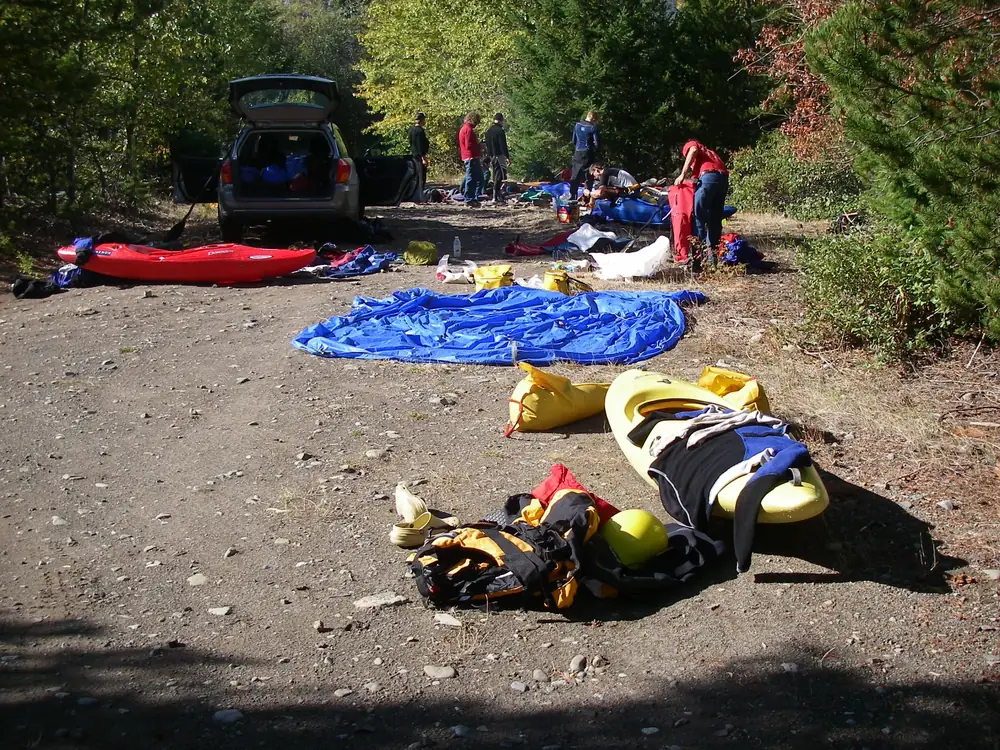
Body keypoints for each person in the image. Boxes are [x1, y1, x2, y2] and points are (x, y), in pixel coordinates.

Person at [674, 140, 730, 264]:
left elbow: (693, 150)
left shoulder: (692, 145)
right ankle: (713, 259)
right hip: (723, 180)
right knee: (715, 219)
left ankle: (698, 257)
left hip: (709, 177)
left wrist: (682, 174)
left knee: (698, 216)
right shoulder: (710, 155)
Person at [569, 111, 599, 201]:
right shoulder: (593, 128)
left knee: (575, 176)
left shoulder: (577, 125)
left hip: (577, 152)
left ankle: (572, 197)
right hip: (588, 153)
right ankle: (586, 198)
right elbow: (597, 144)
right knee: (589, 175)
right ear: (593, 119)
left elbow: (573, 140)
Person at [458, 112, 483, 207]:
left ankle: (471, 197)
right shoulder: (468, 130)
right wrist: (478, 145)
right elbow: (469, 145)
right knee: (471, 178)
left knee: (477, 177)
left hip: (468, 156)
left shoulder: (463, 129)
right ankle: (469, 199)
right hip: (471, 157)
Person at [484, 113, 511, 204]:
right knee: (499, 175)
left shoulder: (488, 131)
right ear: (501, 120)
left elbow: (487, 145)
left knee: (495, 174)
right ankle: (495, 197)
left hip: (492, 156)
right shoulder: (500, 131)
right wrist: (507, 156)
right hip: (499, 155)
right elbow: (503, 145)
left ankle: (497, 195)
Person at [408, 112, 430, 198]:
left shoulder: (411, 130)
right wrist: (423, 158)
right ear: (421, 120)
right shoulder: (420, 131)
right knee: (421, 178)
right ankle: (419, 197)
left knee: (416, 177)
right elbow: (420, 145)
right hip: (419, 157)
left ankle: (416, 196)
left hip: (414, 156)